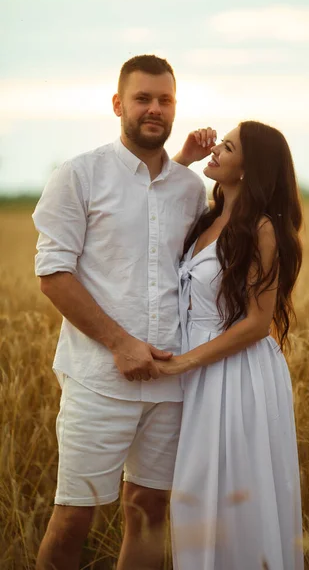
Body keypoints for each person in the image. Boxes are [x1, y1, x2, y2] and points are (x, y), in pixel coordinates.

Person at [32, 54, 215, 570]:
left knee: (150, 510)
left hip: (171, 382)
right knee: (73, 519)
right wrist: (120, 343)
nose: (154, 108)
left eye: (165, 99)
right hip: (98, 382)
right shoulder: (79, 175)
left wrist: (182, 161)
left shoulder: (189, 188)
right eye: (143, 98)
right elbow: (53, 275)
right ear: (118, 104)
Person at [160, 121, 304, 569]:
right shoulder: (206, 216)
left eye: (228, 146)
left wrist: (185, 362)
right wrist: (181, 158)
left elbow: (258, 324)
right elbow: (149, 203)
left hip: (237, 376)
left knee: (237, 496)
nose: (217, 150)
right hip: (199, 371)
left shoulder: (262, 229)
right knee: (196, 493)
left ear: (250, 168)